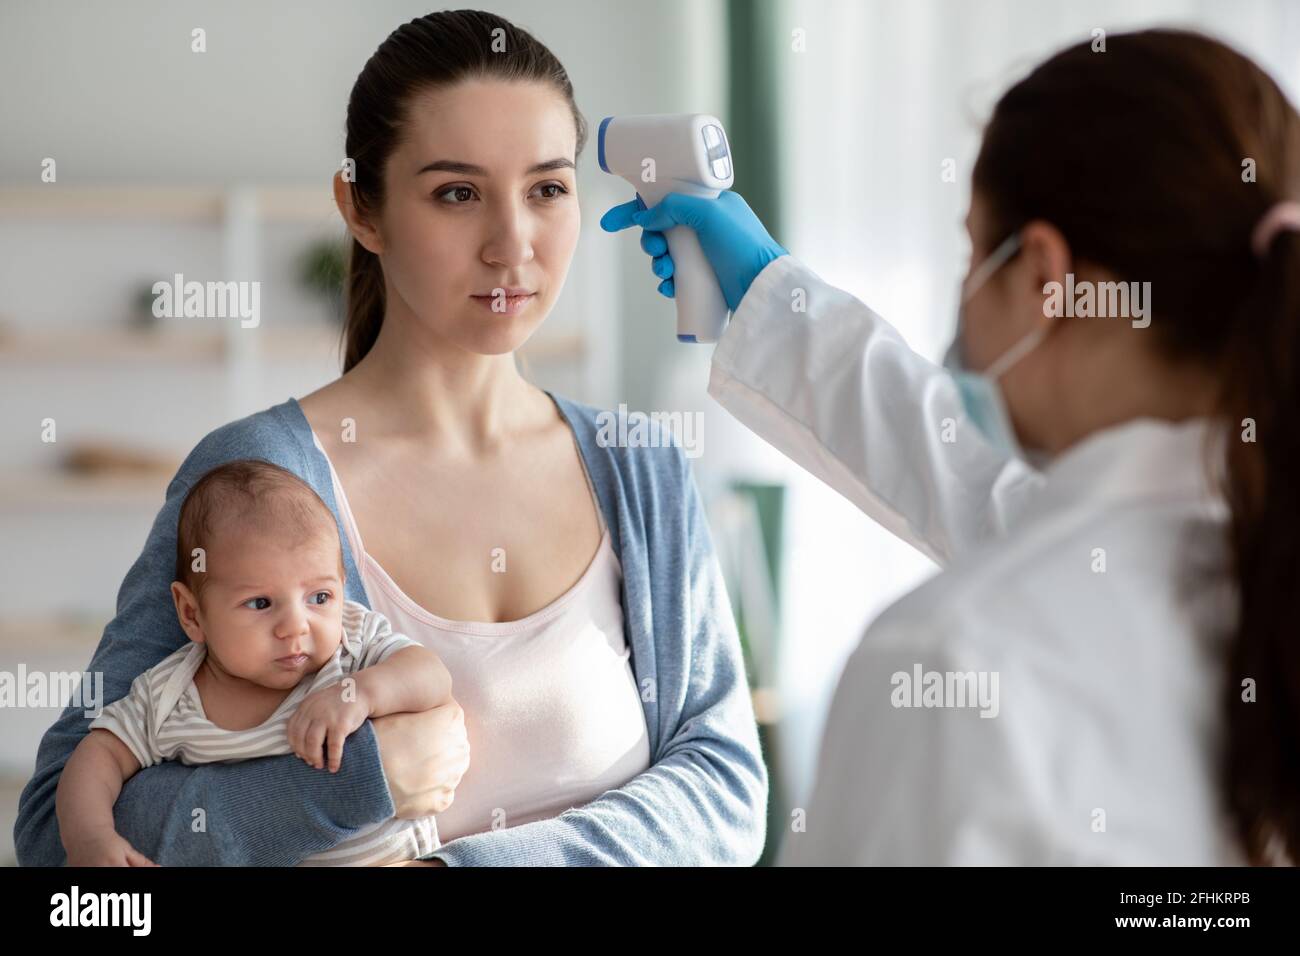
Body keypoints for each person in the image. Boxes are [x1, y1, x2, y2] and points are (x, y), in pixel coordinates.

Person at [15, 9, 767, 867]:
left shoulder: (639, 463)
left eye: (547, 189)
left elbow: (725, 790)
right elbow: (53, 837)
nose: (511, 245)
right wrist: (358, 782)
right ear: (361, 212)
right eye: (457, 193)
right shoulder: (254, 477)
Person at [603, 27, 1300, 865]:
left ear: (1047, 279)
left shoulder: (953, 666)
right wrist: (770, 298)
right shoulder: (1245, 549)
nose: (965, 297)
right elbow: (1003, 504)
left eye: (976, 252)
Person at [56, 460, 453, 867]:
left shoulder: (351, 644)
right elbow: (96, 757)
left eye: (319, 597)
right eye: (260, 603)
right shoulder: (171, 695)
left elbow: (431, 676)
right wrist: (90, 837)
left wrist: (365, 693)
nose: (296, 626)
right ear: (192, 614)